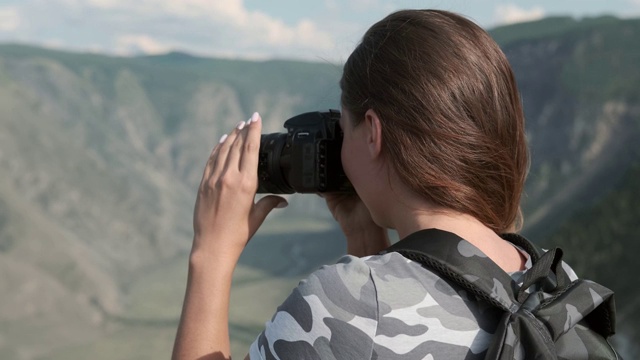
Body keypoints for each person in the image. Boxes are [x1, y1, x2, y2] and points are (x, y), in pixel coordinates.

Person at [173, 9, 549, 360]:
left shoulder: (341, 304)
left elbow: (368, 326)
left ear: (372, 131)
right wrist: (367, 245)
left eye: (344, 127)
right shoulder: (551, 284)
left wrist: (211, 256)